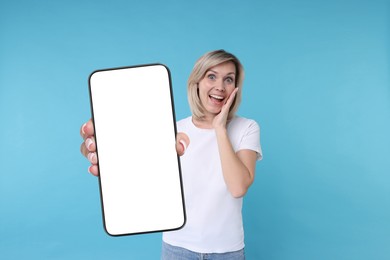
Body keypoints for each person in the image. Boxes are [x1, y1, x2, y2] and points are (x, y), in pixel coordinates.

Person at [80, 50, 262, 260]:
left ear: (236, 88)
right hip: (177, 249)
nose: (220, 86)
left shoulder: (246, 128)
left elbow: (238, 187)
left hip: (227, 251)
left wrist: (220, 128)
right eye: (211, 76)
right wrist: (103, 149)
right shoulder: (172, 131)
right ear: (197, 82)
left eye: (228, 79)